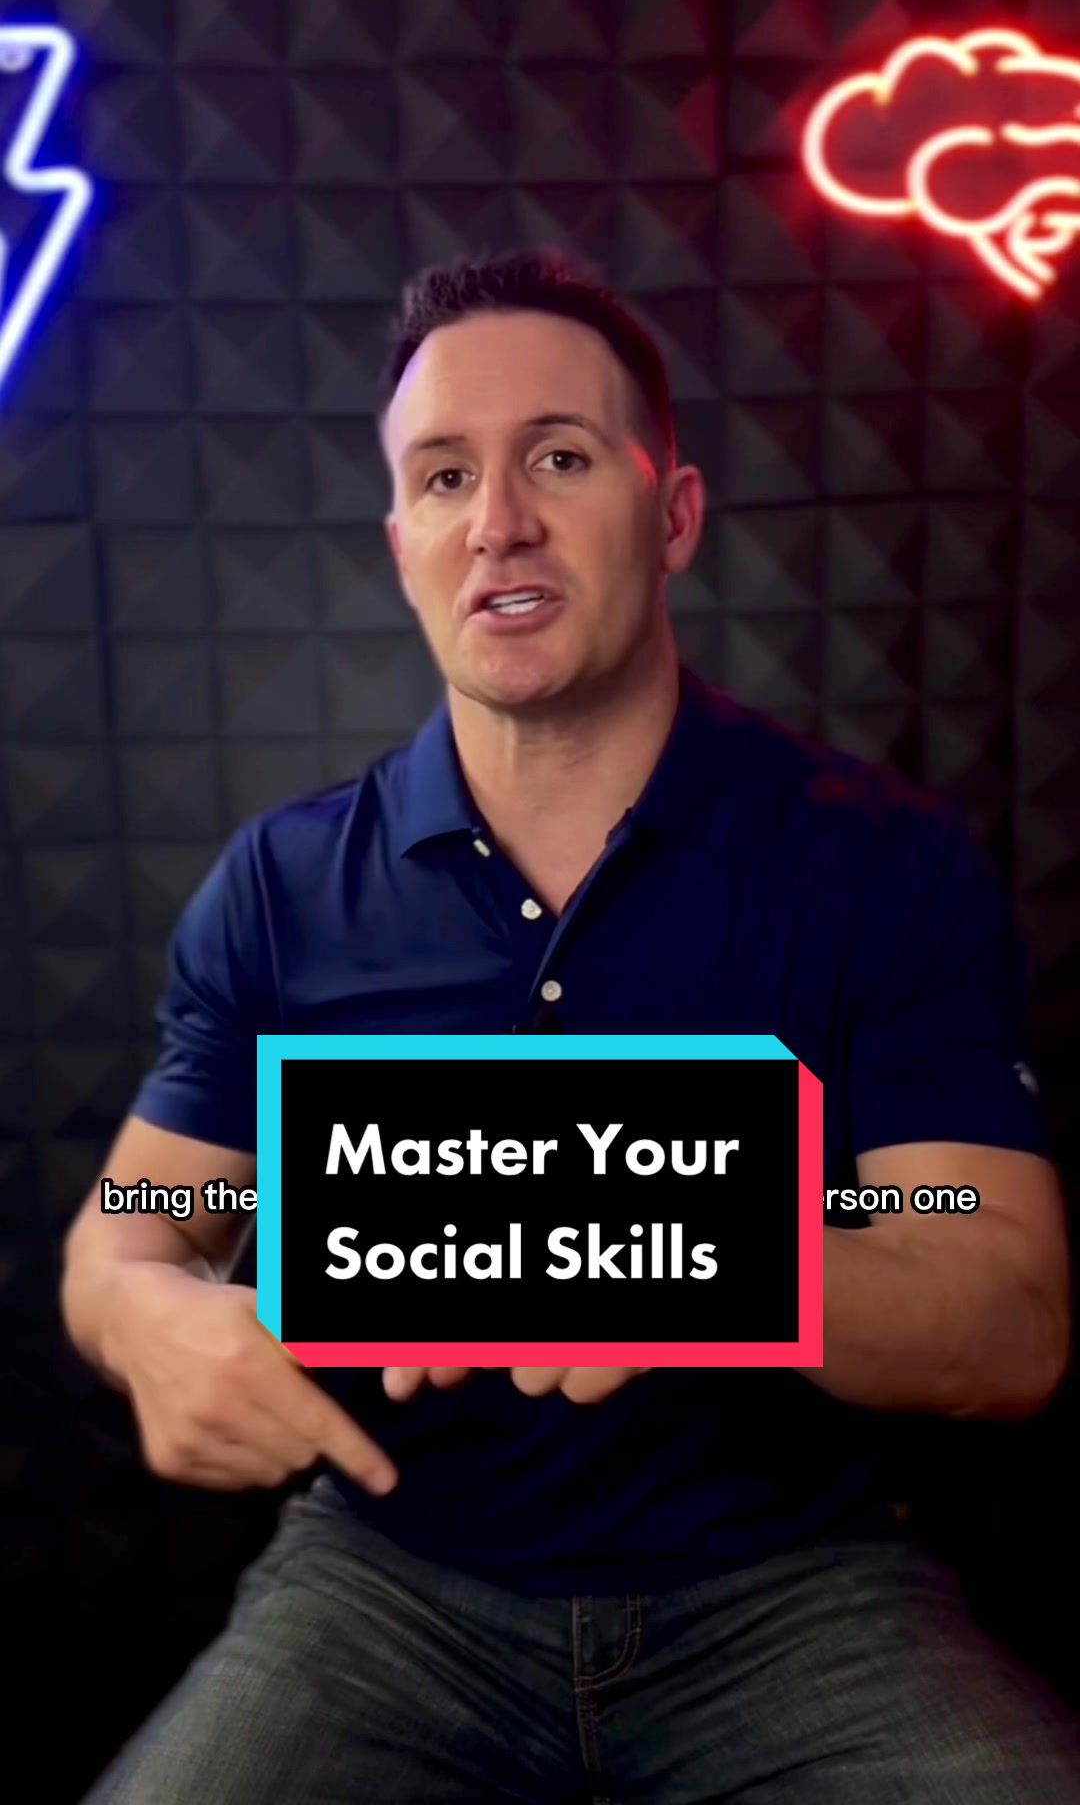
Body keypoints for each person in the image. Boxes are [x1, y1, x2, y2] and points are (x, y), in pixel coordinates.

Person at [63, 248, 1080, 1802]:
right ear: (403, 546)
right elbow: (137, 1225)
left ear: (673, 514)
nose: (500, 522)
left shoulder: (879, 864)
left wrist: (700, 1249)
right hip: (389, 1588)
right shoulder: (282, 886)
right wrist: (150, 1317)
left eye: (558, 458)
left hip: (793, 1590)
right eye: (445, 477)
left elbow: (997, 1296)